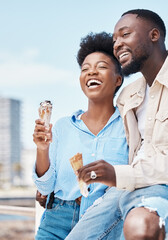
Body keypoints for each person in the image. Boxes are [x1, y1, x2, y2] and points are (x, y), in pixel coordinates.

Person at [65, 9, 168, 240]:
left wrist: (118, 174)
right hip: (125, 189)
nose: (117, 44)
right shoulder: (129, 95)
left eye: (125, 34)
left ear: (154, 35)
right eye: (114, 40)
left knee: (141, 226)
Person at [32, 32, 128, 239]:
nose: (92, 72)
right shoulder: (62, 127)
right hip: (56, 220)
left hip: (105, 223)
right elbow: (45, 187)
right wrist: (42, 149)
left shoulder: (129, 127)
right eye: (85, 68)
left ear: (118, 79)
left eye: (101, 66)